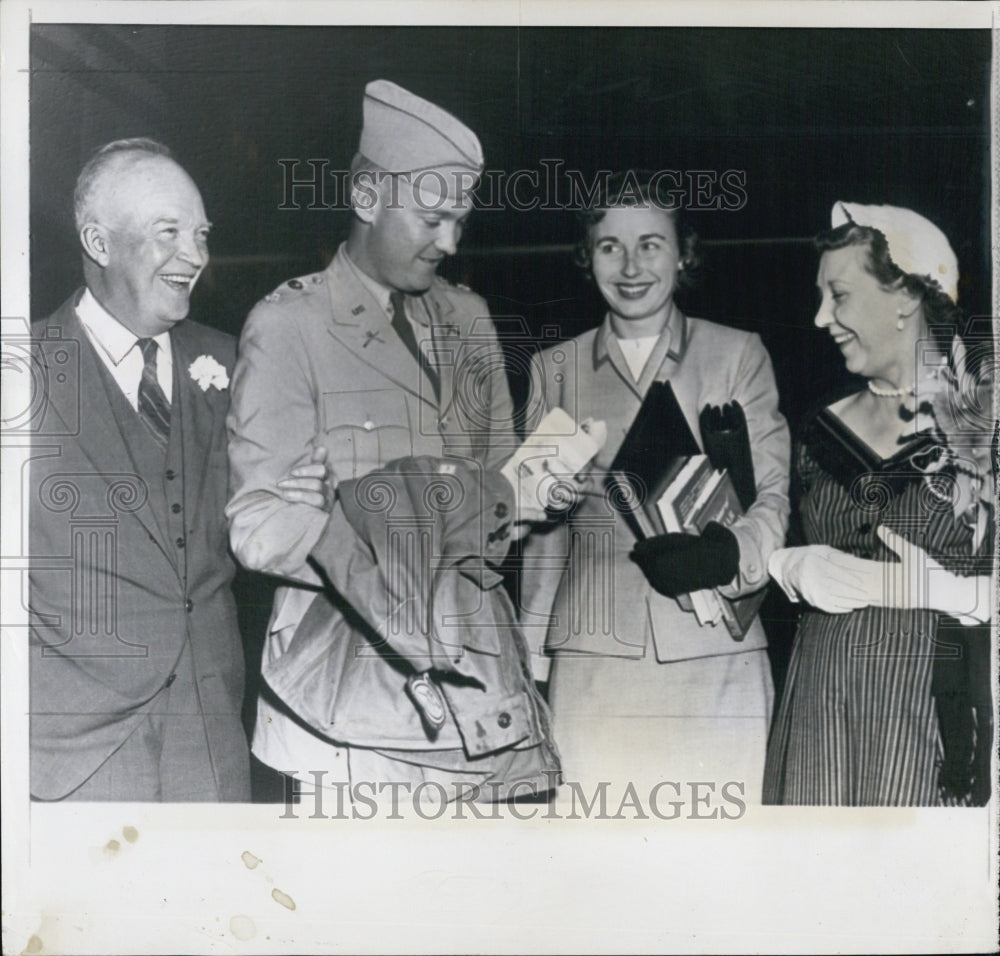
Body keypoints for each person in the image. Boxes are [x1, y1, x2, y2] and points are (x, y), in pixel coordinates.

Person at [226, 80, 563, 805]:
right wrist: (371, 529)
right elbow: (258, 526)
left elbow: (495, 502)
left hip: (468, 693)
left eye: (462, 221)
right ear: (369, 197)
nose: (451, 242)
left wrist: (532, 494)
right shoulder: (290, 326)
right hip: (344, 704)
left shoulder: (470, 321)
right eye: (435, 217)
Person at [28, 138, 328, 801]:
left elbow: (256, 541)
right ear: (99, 243)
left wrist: (291, 506)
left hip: (212, 741)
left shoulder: (235, 364)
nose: (195, 255)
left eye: (200, 235)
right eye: (170, 233)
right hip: (73, 757)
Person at [524, 171, 790, 800]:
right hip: (593, 664)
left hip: (715, 652)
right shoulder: (553, 369)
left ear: (683, 252)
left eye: (650, 243)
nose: (631, 265)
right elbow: (541, 543)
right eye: (609, 245)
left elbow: (774, 497)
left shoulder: (738, 354)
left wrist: (733, 557)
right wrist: (531, 661)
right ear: (586, 260)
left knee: (715, 874)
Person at [763, 202, 994, 806]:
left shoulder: (986, 420)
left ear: (905, 297)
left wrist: (930, 590)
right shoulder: (818, 430)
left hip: (931, 717)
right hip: (819, 710)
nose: (821, 319)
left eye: (838, 295)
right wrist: (781, 565)